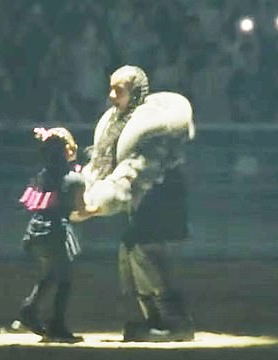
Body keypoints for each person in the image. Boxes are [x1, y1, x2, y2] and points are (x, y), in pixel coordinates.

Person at [77, 65, 195, 342]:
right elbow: (103, 166)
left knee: (144, 250)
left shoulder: (150, 129)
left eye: (118, 90)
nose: (111, 95)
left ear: (134, 92)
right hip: (147, 198)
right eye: (111, 88)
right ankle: (155, 319)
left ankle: (174, 322)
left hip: (160, 195)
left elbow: (136, 172)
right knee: (133, 249)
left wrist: (97, 205)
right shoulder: (117, 124)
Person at [9, 127, 88, 343]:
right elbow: (81, 210)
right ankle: (56, 325)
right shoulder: (75, 179)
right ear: (68, 150)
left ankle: (30, 309)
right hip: (56, 233)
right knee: (64, 280)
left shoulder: (42, 176)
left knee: (50, 275)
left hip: (36, 232)